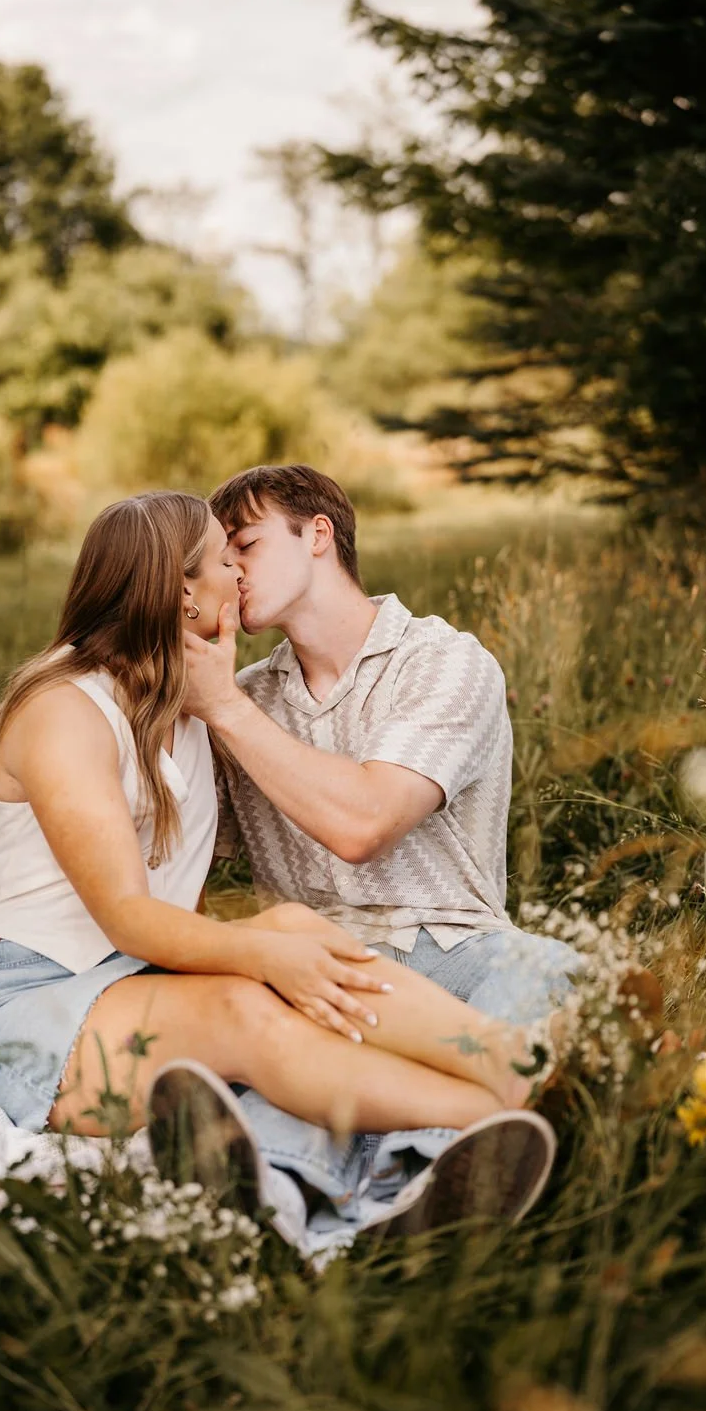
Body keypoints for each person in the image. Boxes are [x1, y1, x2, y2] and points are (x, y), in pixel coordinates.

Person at [0, 490, 557, 1241]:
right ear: (182, 593)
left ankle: (526, 1059)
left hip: (135, 983)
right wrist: (266, 957)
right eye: (225, 559)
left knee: (295, 930)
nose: (239, 579)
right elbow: (126, 913)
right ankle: (502, 1113)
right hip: (40, 1009)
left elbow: (190, 901)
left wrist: (278, 946)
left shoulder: (189, 708)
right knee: (253, 999)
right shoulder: (64, 710)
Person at [177, 463, 581, 1232]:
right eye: (220, 557)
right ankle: (277, 1191)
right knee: (290, 1039)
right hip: (320, 962)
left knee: (549, 970)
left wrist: (223, 708)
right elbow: (178, 862)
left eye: (246, 546)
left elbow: (365, 825)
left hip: (456, 950)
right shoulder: (244, 698)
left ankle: (428, 1175)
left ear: (319, 536)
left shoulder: (446, 663)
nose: (229, 571)